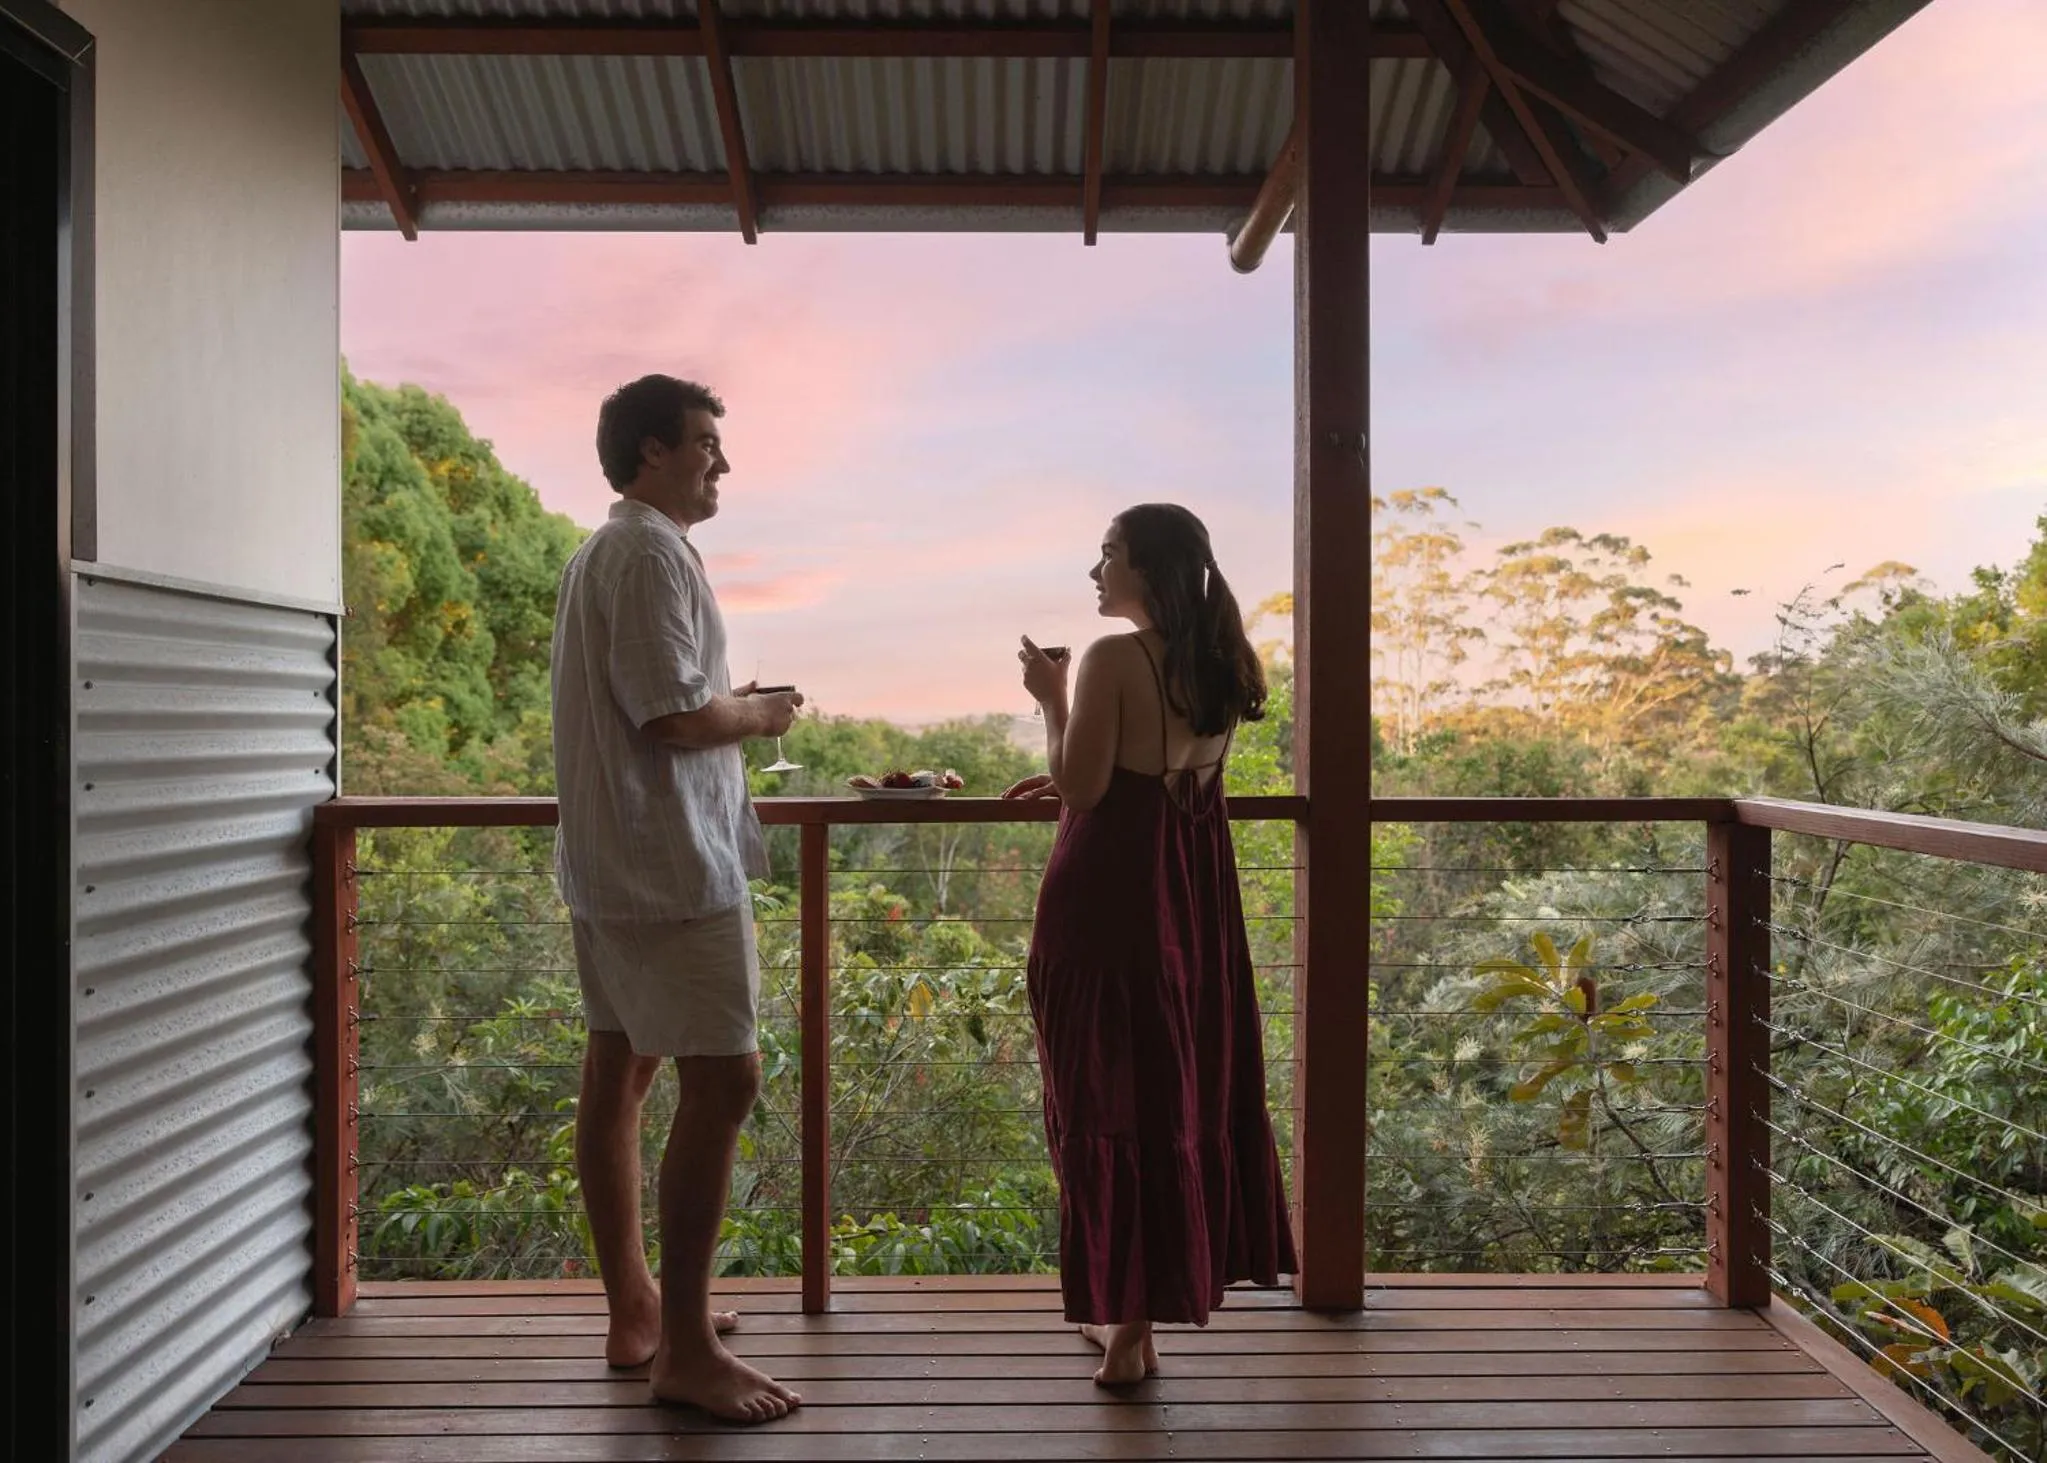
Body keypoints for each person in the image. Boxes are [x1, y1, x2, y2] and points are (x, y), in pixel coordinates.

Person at [550, 374, 804, 1423]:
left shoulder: (604, 552)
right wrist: (763, 711)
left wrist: (734, 709)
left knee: (621, 1067)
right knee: (726, 1078)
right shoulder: (647, 551)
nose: (722, 461)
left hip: (615, 861)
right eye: (705, 441)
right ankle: (686, 1350)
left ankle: (639, 1310)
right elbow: (669, 715)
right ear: (651, 450)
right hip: (666, 868)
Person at [1005, 503, 1298, 1386]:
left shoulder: (1112, 657)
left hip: (1103, 901)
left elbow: (1087, 789)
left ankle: (1125, 1325)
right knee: (1168, 1089)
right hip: (1189, 901)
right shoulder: (1219, 658)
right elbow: (1158, 776)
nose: (1095, 572)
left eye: (1108, 555)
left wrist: (1050, 703)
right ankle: (1133, 1322)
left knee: (1094, 1096)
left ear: (1149, 569)